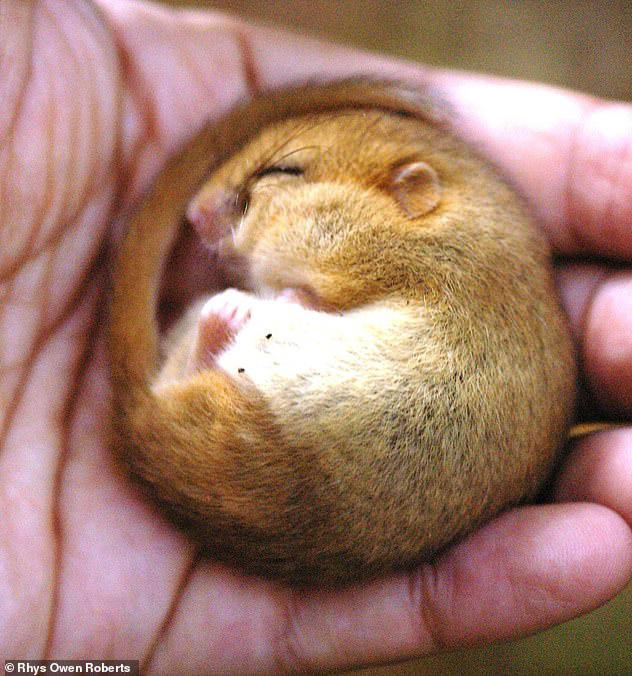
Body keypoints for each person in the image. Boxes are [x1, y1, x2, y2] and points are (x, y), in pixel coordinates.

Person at [1, 0, 630, 670]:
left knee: (240, 338)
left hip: (286, 443)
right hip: (273, 435)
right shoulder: (460, 272)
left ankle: (204, 358)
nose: (203, 210)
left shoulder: (455, 252)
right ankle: (206, 357)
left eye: (282, 173)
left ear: (413, 195)